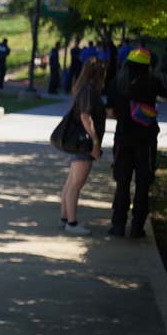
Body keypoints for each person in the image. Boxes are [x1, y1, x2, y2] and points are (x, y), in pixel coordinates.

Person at [109, 48, 167, 238]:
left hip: (123, 139)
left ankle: (118, 226)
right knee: (143, 185)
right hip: (147, 140)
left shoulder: (117, 83)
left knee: (122, 183)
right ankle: (137, 227)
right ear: (147, 65)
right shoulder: (152, 81)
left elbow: (111, 112)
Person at [59, 58, 107, 235]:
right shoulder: (88, 90)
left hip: (79, 142)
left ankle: (65, 218)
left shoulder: (82, 88)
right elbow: (86, 117)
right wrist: (95, 142)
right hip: (84, 143)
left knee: (71, 182)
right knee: (75, 184)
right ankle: (71, 223)